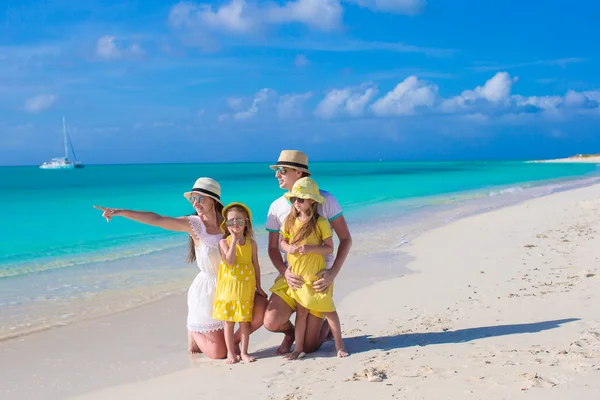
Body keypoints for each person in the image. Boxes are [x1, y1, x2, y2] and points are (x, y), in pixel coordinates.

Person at [93, 177, 267, 359]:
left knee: (261, 310)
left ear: (213, 200)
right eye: (193, 199)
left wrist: (257, 285)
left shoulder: (230, 222)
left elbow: (249, 248)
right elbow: (157, 219)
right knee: (219, 354)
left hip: (235, 285)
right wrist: (120, 212)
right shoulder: (194, 224)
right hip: (209, 291)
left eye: (200, 199)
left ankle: (233, 342)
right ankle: (195, 333)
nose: (196, 203)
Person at [263, 150, 353, 355]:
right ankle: (291, 334)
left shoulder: (325, 199)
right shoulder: (276, 207)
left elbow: (345, 239)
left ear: (298, 172)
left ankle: (323, 328)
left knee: (311, 346)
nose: (277, 174)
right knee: (271, 321)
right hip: (291, 276)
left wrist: (332, 274)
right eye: (277, 170)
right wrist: (284, 272)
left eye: (281, 170)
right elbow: (273, 247)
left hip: (317, 277)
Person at [280, 177, 350, 360]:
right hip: (298, 276)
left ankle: (339, 345)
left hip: (316, 276)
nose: (296, 203)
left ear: (312, 200)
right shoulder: (289, 220)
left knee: (328, 310)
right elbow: (282, 242)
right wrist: (289, 248)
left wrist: (311, 248)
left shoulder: (320, 222)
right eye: (294, 199)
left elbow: (329, 247)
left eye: (301, 199)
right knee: (301, 313)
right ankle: (298, 349)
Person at [213, 202, 267, 364]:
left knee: (244, 321)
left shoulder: (252, 244)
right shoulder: (224, 243)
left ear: (246, 223)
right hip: (229, 288)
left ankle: (244, 352)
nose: (235, 224)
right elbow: (229, 261)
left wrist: (259, 286)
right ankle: (231, 353)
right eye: (231, 221)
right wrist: (234, 241)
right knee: (229, 322)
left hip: (246, 288)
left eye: (239, 221)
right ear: (226, 224)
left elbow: (256, 265)